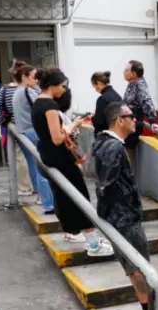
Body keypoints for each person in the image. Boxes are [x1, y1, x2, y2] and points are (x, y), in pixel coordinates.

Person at [94, 102, 158, 310]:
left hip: (120, 216)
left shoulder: (105, 143)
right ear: (119, 120)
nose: (136, 120)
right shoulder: (113, 148)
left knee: (137, 268)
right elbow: (107, 186)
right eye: (131, 116)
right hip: (124, 219)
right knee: (139, 268)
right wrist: (108, 212)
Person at [32, 68, 113, 257]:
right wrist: (73, 126)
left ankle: (84, 237)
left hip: (47, 155)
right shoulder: (50, 106)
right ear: (51, 85)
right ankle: (93, 243)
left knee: (66, 198)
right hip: (60, 157)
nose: (63, 90)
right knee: (80, 197)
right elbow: (58, 138)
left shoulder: (38, 102)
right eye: (62, 86)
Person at [11, 65, 55, 215]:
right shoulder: (27, 91)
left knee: (33, 165)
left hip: (22, 132)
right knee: (42, 167)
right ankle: (47, 201)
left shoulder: (17, 92)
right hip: (32, 131)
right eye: (34, 77)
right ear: (24, 76)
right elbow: (41, 107)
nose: (36, 80)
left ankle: (41, 197)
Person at [0, 60, 31, 196]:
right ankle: (37, 187)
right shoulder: (34, 89)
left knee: (20, 157)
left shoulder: (6, 90)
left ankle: (24, 187)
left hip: (15, 128)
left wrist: (6, 123)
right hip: (33, 127)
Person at [122, 60, 156, 166]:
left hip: (134, 123)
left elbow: (147, 102)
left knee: (127, 154)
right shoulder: (132, 84)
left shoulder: (140, 86)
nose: (124, 72)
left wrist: (152, 121)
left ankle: (127, 180)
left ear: (134, 73)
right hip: (126, 122)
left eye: (127, 70)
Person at [90, 71, 123, 135]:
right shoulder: (117, 96)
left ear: (99, 83)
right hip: (118, 134)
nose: (95, 90)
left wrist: (93, 118)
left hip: (105, 135)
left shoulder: (102, 99)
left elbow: (99, 122)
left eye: (94, 86)